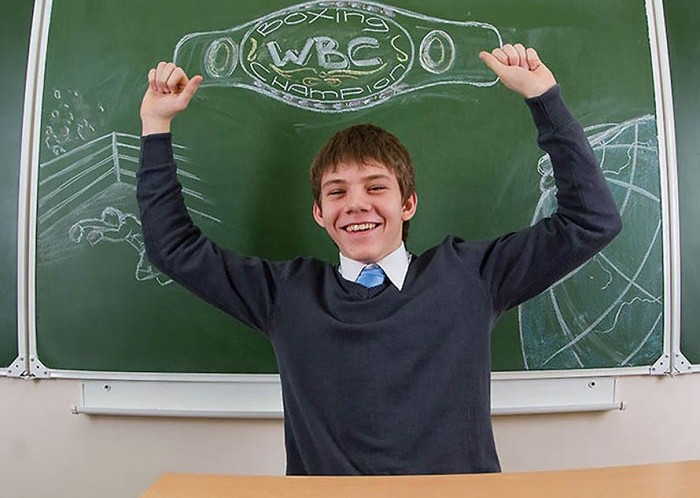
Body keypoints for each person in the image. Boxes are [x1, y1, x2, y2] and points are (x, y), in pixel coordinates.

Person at [137, 44, 622, 475]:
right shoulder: (287, 294)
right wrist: (156, 126)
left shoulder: (471, 277)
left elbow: (591, 221)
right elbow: (173, 248)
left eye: (375, 188)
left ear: (407, 204)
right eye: (337, 192)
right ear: (319, 214)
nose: (356, 204)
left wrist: (544, 98)